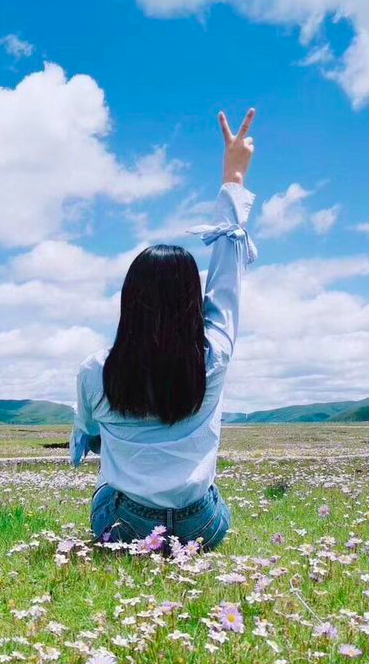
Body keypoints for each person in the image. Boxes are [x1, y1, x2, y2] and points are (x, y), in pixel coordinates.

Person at [70, 108, 257, 552]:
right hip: (201, 525)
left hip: (125, 523)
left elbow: (90, 435)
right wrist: (234, 176)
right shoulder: (213, 357)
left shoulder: (96, 370)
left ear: (128, 303)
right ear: (197, 302)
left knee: (106, 480)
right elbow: (228, 279)